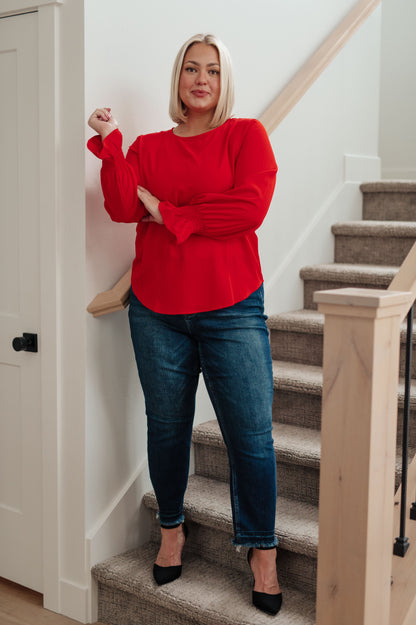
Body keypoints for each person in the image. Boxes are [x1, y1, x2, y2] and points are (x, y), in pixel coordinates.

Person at [87, 33, 281, 616]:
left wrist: (166, 212)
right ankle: (172, 528)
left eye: (213, 71)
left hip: (232, 306)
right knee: (167, 428)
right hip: (156, 310)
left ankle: (262, 547)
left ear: (224, 83)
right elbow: (123, 206)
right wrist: (109, 141)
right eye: (192, 69)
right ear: (178, 80)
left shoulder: (246, 135)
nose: (202, 79)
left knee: (250, 434)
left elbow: (248, 209)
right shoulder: (146, 146)